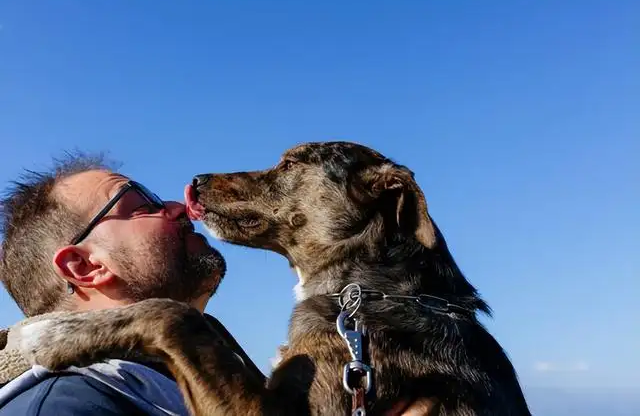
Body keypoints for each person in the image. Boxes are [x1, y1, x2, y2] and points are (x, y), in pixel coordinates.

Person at [0, 153, 433, 415]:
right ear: (84, 267)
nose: (178, 207)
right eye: (141, 205)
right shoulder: (66, 406)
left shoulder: (207, 380)